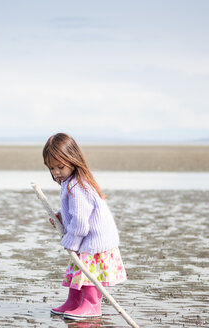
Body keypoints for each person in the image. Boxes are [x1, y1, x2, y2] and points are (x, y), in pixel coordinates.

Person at [42, 132, 127, 320]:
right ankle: (73, 301)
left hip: (95, 240)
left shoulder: (77, 187)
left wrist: (70, 241)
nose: (56, 172)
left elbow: (81, 224)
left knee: (89, 273)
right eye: (51, 168)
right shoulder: (68, 181)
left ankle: (91, 305)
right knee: (78, 271)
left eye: (60, 167)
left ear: (73, 160)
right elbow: (75, 211)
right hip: (86, 238)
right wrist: (62, 217)